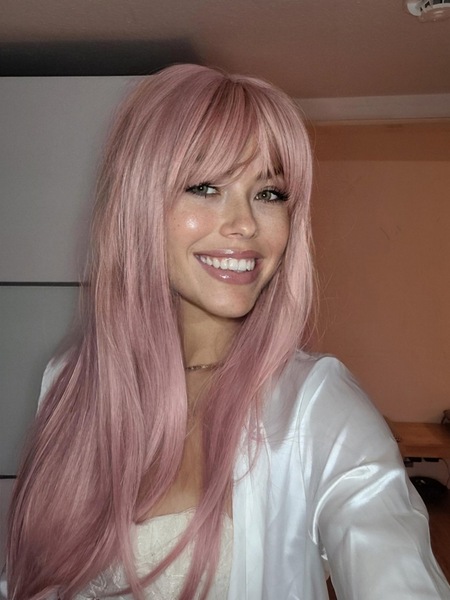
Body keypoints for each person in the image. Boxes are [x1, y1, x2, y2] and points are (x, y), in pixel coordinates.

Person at [5, 64, 450, 600]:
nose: (244, 224)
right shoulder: (69, 381)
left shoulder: (314, 408)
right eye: (204, 186)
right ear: (138, 205)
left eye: (270, 194)